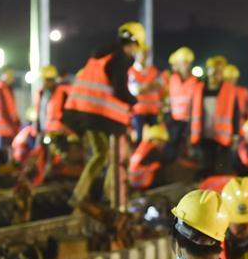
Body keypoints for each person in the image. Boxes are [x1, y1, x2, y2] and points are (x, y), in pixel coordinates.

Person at [63, 21, 143, 212]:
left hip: (83, 113)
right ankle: (109, 197)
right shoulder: (119, 58)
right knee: (113, 157)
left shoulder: (101, 55)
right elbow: (120, 90)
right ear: (132, 44)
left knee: (101, 154)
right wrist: (135, 101)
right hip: (100, 116)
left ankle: (80, 195)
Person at [189, 55, 240, 177]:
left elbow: (235, 113)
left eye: (219, 71)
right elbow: (192, 112)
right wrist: (189, 134)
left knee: (220, 168)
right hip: (202, 136)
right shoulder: (198, 88)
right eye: (214, 70)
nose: (216, 74)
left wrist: (235, 135)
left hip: (222, 138)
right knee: (204, 166)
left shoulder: (230, 90)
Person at [164, 46, 198, 161]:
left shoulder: (195, 81)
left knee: (189, 146)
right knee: (172, 145)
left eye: (187, 62)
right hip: (175, 119)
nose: (185, 65)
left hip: (190, 119)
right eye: (183, 62)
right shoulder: (171, 78)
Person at [128, 45, 162, 142]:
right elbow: (135, 90)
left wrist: (143, 86)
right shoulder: (132, 71)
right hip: (138, 110)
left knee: (155, 138)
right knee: (139, 138)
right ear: (136, 55)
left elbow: (159, 85)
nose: (144, 56)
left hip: (153, 110)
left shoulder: (153, 70)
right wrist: (150, 85)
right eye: (142, 53)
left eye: (146, 54)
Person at [129, 123, 170, 190]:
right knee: (158, 165)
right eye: (162, 142)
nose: (163, 145)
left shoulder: (143, 146)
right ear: (156, 140)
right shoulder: (153, 150)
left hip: (134, 182)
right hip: (144, 184)